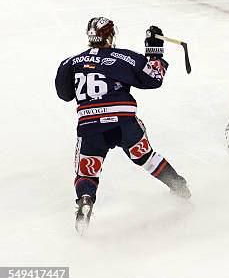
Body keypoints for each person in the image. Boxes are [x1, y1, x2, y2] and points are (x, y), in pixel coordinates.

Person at [55, 17, 191, 234]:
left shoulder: (69, 62)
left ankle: (86, 199)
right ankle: (179, 186)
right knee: (146, 157)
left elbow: (64, 94)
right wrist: (154, 50)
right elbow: (154, 79)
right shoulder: (124, 57)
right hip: (123, 123)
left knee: (87, 173)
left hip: (90, 127)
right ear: (110, 36)